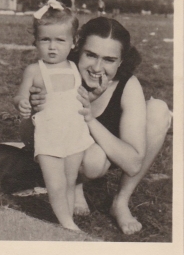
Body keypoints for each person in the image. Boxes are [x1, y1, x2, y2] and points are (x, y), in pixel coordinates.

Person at [28, 16, 172, 235]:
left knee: (159, 110)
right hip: (68, 151)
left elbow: (133, 164)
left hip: (105, 149)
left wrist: (89, 117)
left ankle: (120, 201)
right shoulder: (58, 73)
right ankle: (74, 186)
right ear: (77, 49)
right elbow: (27, 136)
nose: (97, 67)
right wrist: (33, 111)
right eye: (90, 55)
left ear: (121, 61)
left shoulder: (127, 84)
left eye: (109, 59)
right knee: (92, 161)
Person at [13, 0, 94, 231]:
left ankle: (66, 222)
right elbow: (19, 97)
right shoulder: (34, 71)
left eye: (60, 40)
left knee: (69, 181)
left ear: (73, 43)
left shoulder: (75, 68)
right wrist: (23, 103)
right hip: (48, 137)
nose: (52, 47)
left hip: (74, 134)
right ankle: (68, 225)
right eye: (45, 40)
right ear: (35, 42)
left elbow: (86, 95)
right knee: (55, 183)